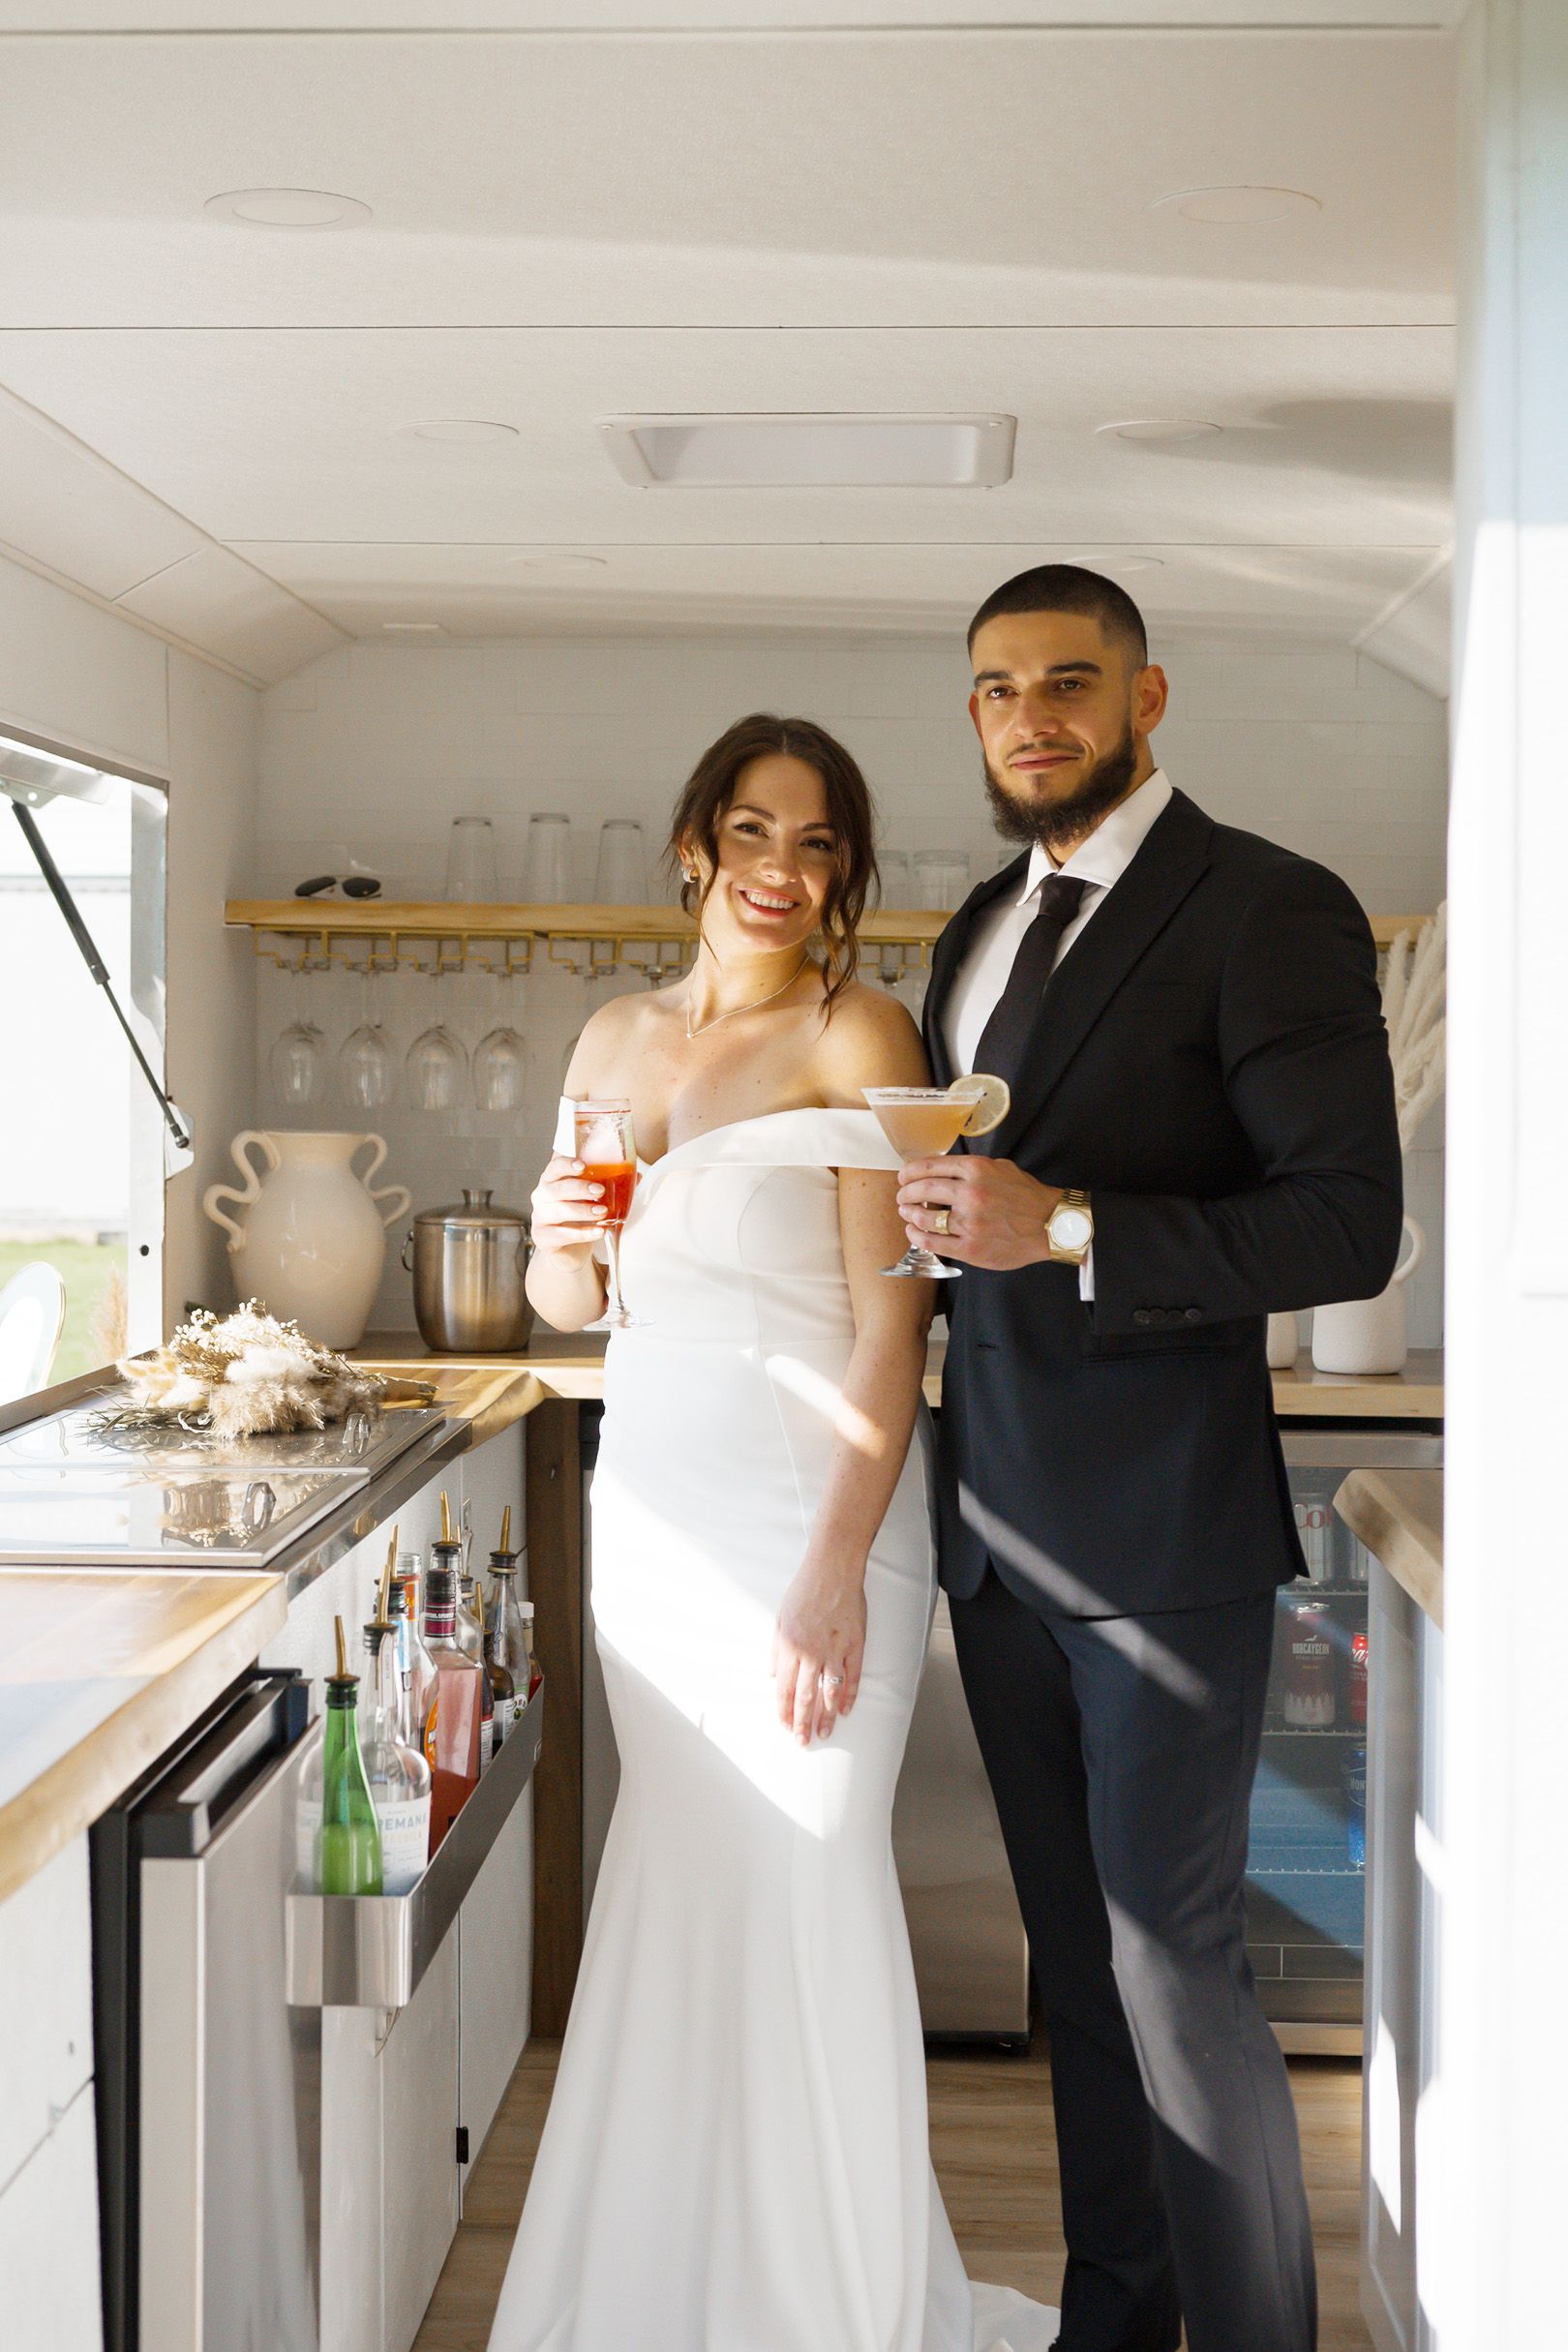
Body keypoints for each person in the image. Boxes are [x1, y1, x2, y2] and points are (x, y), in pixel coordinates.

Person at [489, 712, 1056, 2352]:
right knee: (674, 1885)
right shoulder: (610, 1039)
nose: (783, 873)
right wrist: (551, 1239)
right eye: (754, 834)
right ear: (695, 846)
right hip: (656, 1509)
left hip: (817, 1516)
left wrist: (830, 1575)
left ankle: (831, 2304)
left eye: (817, 846)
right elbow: (573, 1302)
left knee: (808, 1875)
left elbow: (896, 1336)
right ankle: (663, 2291)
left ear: (846, 874)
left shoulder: (859, 1033)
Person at [896, 565, 1404, 2352]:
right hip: (995, 1529)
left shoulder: (1266, 905)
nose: (1030, 715)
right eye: (996, 689)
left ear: (1148, 695)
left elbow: (1349, 1225)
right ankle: (1115, 2324)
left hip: (1162, 1535)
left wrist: (1077, 1225)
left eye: (1068, 681)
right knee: (1085, 1989)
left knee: (1175, 1969)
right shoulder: (973, 925)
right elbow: (990, 1214)